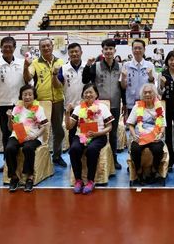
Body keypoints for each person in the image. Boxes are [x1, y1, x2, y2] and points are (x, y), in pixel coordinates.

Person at [24, 37, 66, 167]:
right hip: (41, 102)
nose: (46, 48)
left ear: (52, 46)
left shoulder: (60, 61)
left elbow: (62, 83)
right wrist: (25, 67)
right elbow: (27, 78)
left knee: (58, 130)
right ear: (40, 48)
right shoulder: (35, 63)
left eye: (48, 45)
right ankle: (42, 155)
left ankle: (57, 155)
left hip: (58, 100)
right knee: (42, 130)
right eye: (43, 46)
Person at [83, 39, 124, 170]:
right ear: (102, 51)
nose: (108, 51)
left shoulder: (121, 67)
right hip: (98, 107)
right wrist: (87, 67)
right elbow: (85, 80)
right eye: (106, 49)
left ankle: (113, 159)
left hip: (115, 106)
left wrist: (124, 106)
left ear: (115, 51)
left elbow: (122, 88)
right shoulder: (96, 66)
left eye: (111, 49)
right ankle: (93, 159)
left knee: (113, 134)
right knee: (96, 131)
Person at [0, 36, 25, 170]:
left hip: (20, 104)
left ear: (14, 48)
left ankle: (20, 160)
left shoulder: (21, 63)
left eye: (10, 46)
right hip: (4, 104)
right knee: (6, 133)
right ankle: (8, 162)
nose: (7, 49)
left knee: (21, 132)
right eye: (5, 47)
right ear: (1, 48)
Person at [66, 83, 113, 194]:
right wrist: (67, 113)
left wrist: (97, 133)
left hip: (99, 135)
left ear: (96, 94)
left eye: (91, 92)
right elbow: (69, 126)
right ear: (83, 95)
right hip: (82, 135)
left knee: (92, 149)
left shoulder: (103, 107)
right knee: (74, 149)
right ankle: (78, 180)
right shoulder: (78, 108)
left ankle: (91, 180)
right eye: (86, 92)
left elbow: (110, 127)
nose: (88, 94)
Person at [5, 85, 49, 193]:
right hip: (17, 135)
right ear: (21, 96)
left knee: (28, 148)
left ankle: (29, 177)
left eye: (30, 94)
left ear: (34, 96)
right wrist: (9, 118)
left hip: (33, 135)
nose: (27, 97)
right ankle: (14, 177)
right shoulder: (16, 109)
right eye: (25, 94)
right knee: (9, 148)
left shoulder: (39, 109)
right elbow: (10, 128)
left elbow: (44, 126)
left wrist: (35, 135)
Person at [126, 84, 166, 183]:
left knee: (157, 149)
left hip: (154, 136)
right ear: (142, 95)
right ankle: (139, 170)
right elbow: (130, 124)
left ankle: (154, 169)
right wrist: (134, 135)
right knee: (135, 149)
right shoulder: (137, 106)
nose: (147, 94)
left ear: (155, 94)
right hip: (140, 136)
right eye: (145, 92)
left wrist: (160, 134)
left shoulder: (159, 107)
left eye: (150, 92)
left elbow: (163, 125)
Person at [121, 39, 156, 114]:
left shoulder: (150, 65)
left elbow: (153, 85)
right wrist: (123, 77)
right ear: (132, 50)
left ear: (144, 50)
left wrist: (150, 76)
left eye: (140, 48)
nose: (137, 50)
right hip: (131, 103)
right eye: (135, 48)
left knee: (145, 124)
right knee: (131, 125)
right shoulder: (126, 65)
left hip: (146, 103)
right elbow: (123, 87)